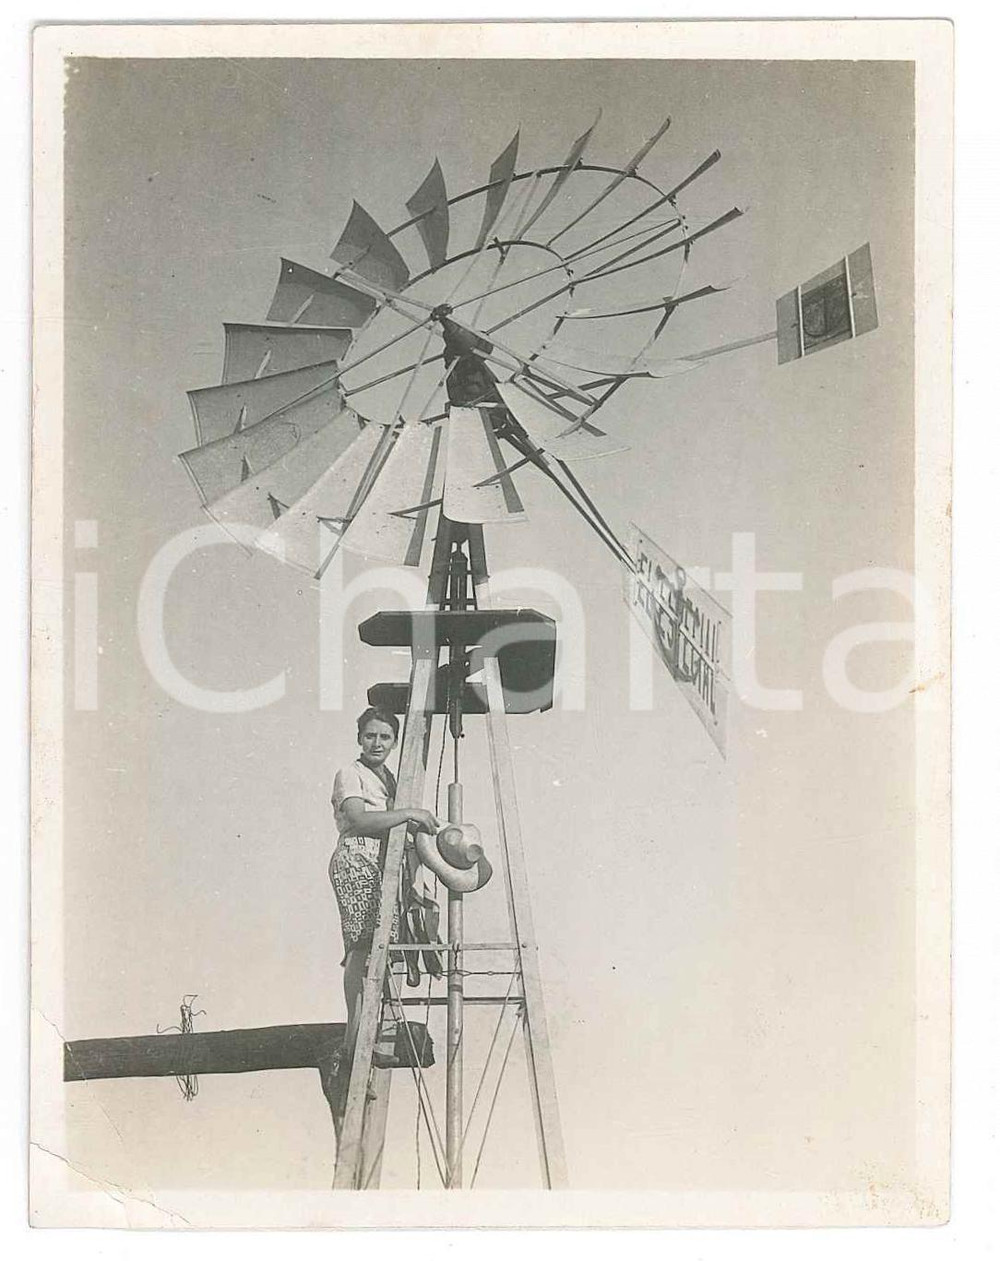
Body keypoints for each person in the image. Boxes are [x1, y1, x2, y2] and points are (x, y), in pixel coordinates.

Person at [329, 706, 439, 1074]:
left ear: (394, 742)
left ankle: (372, 1035)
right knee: (362, 947)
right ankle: (353, 1039)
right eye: (370, 736)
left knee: (385, 948)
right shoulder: (351, 773)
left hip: (387, 867)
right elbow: (359, 819)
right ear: (359, 738)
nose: (377, 743)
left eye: (385, 737)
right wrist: (408, 813)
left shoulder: (390, 778)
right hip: (358, 861)